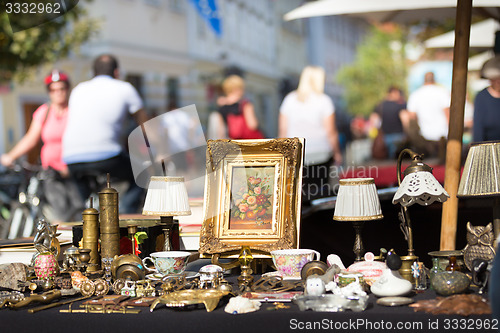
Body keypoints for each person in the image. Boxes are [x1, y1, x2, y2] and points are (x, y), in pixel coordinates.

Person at [62, 54, 148, 213]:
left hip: (71, 157)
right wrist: (157, 148)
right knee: (141, 175)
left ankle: (88, 219)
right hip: (107, 155)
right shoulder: (125, 88)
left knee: (88, 207)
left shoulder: (78, 89)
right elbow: (145, 125)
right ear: (117, 72)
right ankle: (124, 219)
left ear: (93, 72)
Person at [0, 70, 83, 221]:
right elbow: (31, 139)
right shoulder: (44, 112)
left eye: (62, 89)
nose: (58, 93)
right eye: (53, 90)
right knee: (56, 216)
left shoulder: (75, 111)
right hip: (50, 173)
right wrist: (10, 156)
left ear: (67, 89)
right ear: (49, 92)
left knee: (77, 215)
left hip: (73, 172)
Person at [279, 66, 342, 201]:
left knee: (298, 194)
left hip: (296, 153)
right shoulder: (324, 100)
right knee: (320, 192)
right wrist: (337, 152)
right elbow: (331, 131)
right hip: (321, 153)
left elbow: (283, 130)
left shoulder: (289, 99)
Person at [407, 72, 450, 160]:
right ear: (434, 79)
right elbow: (447, 113)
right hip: (442, 134)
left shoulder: (415, 94)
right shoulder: (442, 92)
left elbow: (411, 117)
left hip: (423, 136)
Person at [217, 75, 264, 140]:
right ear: (238, 89)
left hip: (235, 141)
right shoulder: (245, 103)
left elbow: (221, 130)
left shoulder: (222, 107)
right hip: (251, 141)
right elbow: (252, 125)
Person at [370, 86, 408, 159]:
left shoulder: (380, 105)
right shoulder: (399, 105)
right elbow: (405, 119)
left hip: (384, 137)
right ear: (394, 93)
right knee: (398, 160)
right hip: (399, 136)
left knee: (387, 160)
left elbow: (373, 120)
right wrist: (407, 132)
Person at [473, 55, 500, 142]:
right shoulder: (481, 97)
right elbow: (478, 129)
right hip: (489, 148)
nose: (498, 81)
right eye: (495, 78)